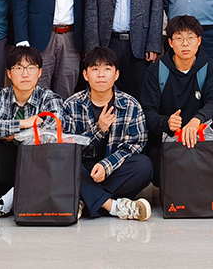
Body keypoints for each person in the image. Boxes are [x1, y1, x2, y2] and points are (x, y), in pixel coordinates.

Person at [0, 45, 65, 220]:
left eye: (31, 68)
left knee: (42, 150)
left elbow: (52, 132)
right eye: (18, 68)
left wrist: (9, 135)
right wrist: (23, 124)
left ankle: (5, 203)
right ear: (9, 73)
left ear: (39, 72)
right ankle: (10, 198)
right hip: (5, 170)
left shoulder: (50, 98)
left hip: (36, 166)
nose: (25, 74)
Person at [61, 47, 153, 221]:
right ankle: (112, 206)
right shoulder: (72, 105)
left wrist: (106, 165)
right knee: (67, 165)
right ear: (85, 75)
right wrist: (98, 130)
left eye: (107, 69)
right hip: (83, 169)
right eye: (95, 69)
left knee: (144, 166)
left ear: (116, 75)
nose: (101, 75)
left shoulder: (131, 105)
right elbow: (67, 150)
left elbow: (136, 145)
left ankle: (84, 198)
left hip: (113, 170)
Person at [138, 15, 213, 166]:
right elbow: (148, 111)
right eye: (179, 38)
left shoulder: (209, 67)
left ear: (199, 41)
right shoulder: (156, 71)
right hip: (169, 132)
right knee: (154, 165)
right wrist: (166, 122)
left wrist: (197, 119)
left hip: (199, 128)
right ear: (170, 42)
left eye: (190, 37)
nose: (185, 43)